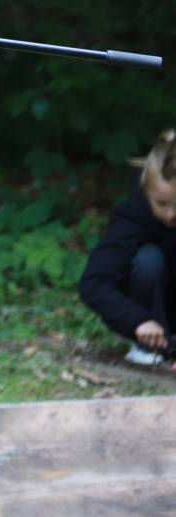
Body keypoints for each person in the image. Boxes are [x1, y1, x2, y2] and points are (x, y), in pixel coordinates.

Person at [78, 129, 176, 365]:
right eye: (162, 203)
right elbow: (94, 283)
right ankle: (150, 349)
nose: (171, 214)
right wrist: (137, 320)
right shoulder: (132, 218)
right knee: (148, 259)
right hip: (153, 318)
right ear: (146, 189)